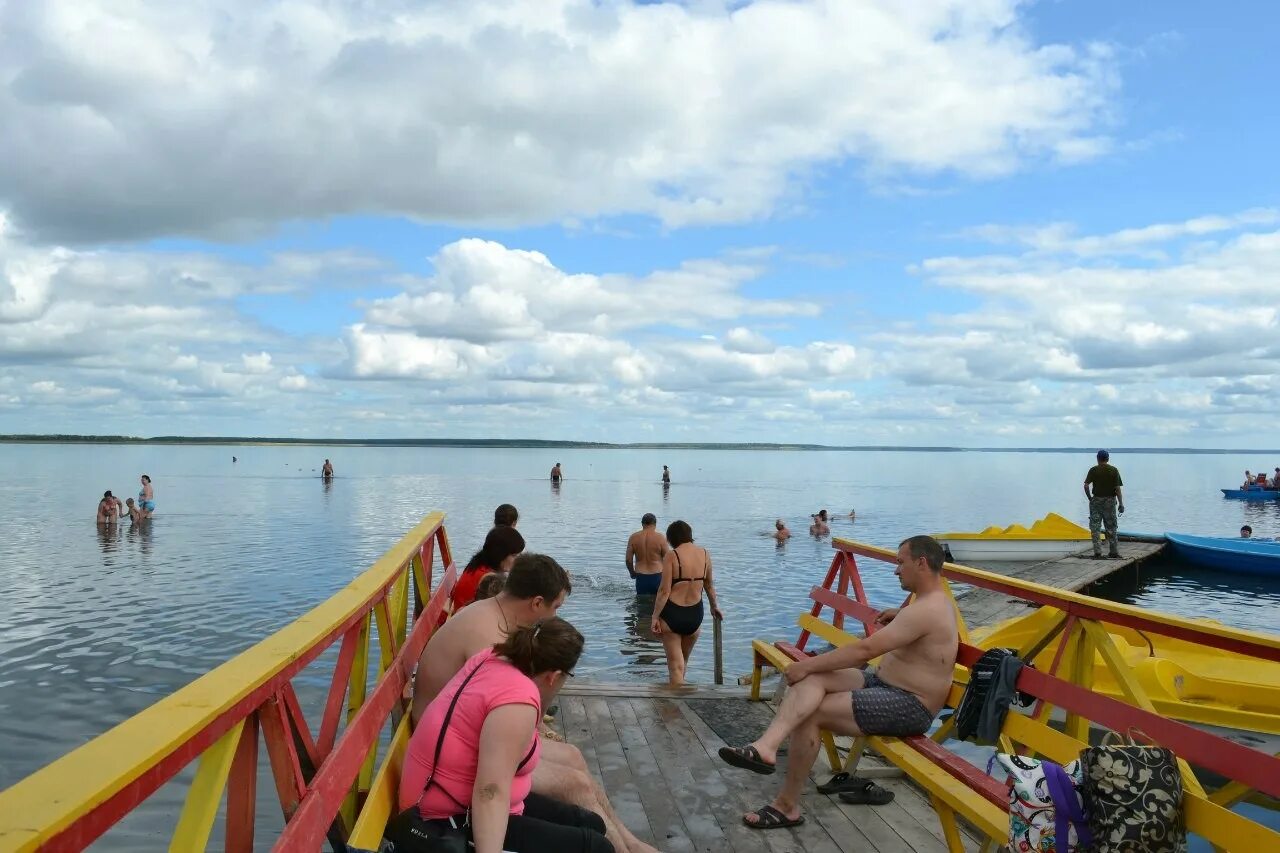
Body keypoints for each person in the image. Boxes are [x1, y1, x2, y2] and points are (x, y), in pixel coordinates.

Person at [411, 555, 655, 853]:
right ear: (537, 603)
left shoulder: (496, 629)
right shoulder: (488, 640)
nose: (554, 617)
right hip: (448, 780)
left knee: (573, 757)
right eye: (556, 608)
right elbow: (490, 787)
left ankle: (628, 843)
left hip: (458, 747)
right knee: (575, 786)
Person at [717, 535, 959, 830]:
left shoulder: (927, 610)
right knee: (813, 679)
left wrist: (804, 664)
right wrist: (901, 614)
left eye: (900, 562)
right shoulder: (925, 605)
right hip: (882, 684)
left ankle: (786, 806)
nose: (896, 570)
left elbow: (865, 650)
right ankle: (765, 747)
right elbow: (921, 628)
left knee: (812, 710)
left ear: (921, 563)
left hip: (910, 705)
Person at [399, 619, 612, 853]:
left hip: (447, 798)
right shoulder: (517, 703)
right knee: (596, 847)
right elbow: (490, 792)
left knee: (591, 822)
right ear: (554, 676)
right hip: (442, 821)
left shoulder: (491, 658)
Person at [651, 520, 724, 686]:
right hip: (694, 615)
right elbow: (709, 586)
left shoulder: (672, 556)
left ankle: (676, 700)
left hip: (672, 614)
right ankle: (682, 695)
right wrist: (714, 607)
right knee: (683, 661)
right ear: (689, 535)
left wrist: (655, 617)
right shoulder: (705, 554)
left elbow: (664, 591)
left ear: (671, 538)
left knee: (675, 666)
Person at [446, 526, 526, 619]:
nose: (517, 560)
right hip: (470, 620)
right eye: (514, 555)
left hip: (462, 617)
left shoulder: (478, 564)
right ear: (500, 554)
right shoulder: (489, 579)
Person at [1083, 450, 1123, 559]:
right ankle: (1113, 552)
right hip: (1110, 501)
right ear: (1108, 458)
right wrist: (1121, 504)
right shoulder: (1114, 470)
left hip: (1096, 501)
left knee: (1095, 527)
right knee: (1111, 527)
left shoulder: (1093, 470)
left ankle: (1097, 552)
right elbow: (1117, 489)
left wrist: (1090, 498)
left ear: (1097, 458)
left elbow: (1086, 485)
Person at [624, 513, 667, 596]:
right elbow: (668, 559)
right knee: (657, 601)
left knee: (641, 602)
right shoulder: (660, 538)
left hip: (641, 577)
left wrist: (632, 573)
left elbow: (628, 560)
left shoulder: (633, 537)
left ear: (642, 523)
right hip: (657, 576)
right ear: (655, 524)